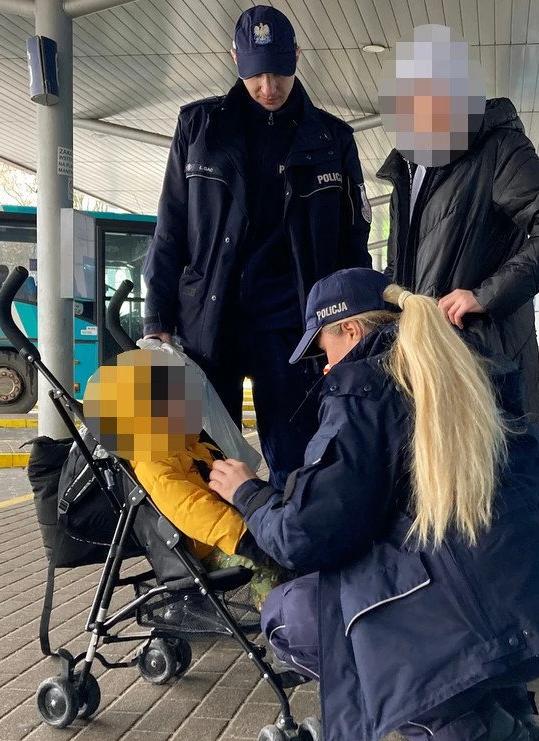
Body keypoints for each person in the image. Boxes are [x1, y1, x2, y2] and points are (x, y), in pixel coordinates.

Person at [208, 267, 539, 741]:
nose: (325, 364)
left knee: (291, 617)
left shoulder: (364, 391)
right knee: (437, 557)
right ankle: (506, 708)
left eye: (324, 348)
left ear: (352, 333)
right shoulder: (461, 366)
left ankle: (461, 738)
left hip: (498, 623)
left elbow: (305, 539)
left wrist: (250, 496)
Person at [142, 5, 372, 490]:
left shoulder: (333, 139)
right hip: (210, 322)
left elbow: (353, 247)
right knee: (208, 463)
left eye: (280, 73)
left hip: (294, 329)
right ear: (234, 61)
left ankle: (291, 561)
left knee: (299, 459)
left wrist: (359, 322)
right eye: (256, 75)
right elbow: (170, 230)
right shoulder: (197, 128)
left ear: (297, 58)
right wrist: (157, 321)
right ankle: (220, 559)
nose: (269, 87)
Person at [376, 24, 539, 418]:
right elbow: (400, 267)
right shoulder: (407, 168)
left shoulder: (498, 149)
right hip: (423, 357)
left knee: (493, 474)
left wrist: (485, 296)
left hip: (483, 359)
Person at [82, 348, 285, 609]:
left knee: (287, 539)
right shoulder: (151, 461)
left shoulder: (187, 445)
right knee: (269, 563)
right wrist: (243, 536)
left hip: (231, 527)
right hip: (211, 545)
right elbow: (190, 508)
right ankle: (280, 622)